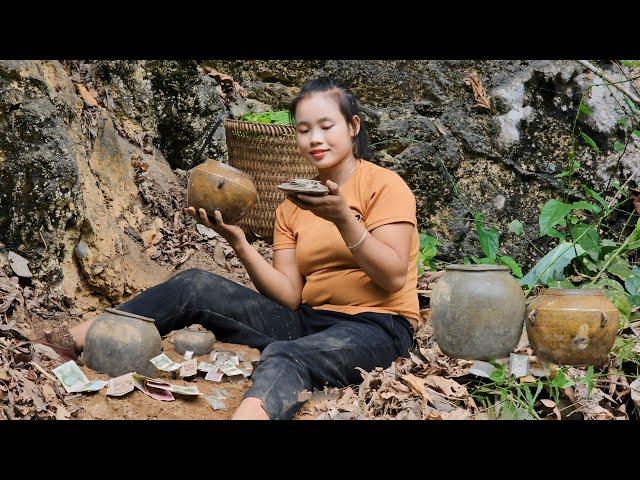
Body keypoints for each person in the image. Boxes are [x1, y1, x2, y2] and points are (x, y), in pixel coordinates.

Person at [35, 77, 421, 420]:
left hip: (378, 326)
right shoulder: (291, 204)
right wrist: (237, 241)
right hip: (308, 319)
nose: (314, 139)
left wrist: (343, 218)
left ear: (353, 127)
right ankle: (76, 339)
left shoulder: (384, 185)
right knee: (194, 285)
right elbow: (289, 295)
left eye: (326, 126)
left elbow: (392, 277)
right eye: (304, 130)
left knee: (286, 356)